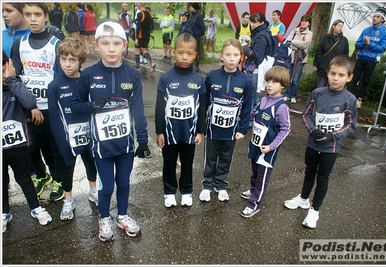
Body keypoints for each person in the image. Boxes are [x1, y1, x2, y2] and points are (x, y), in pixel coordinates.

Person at [70, 21, 150, 242]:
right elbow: (75, 107)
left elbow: (138, 109)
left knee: (124, 184)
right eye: (106, 43)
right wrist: (91, 106)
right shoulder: (88, 74)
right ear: (96, 45)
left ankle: (122, 215)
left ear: (125, 46)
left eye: (116, 43)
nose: (112, 48)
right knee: (106, 188)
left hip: (124, 145)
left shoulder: (133, 75)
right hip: (101, 147)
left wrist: (142, 141)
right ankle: (104, 217)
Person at [284, 55, 358, 228]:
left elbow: (351, 125)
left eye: (341, 75)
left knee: (323, 178)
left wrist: (333, 135)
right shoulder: (317, 93)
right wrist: (313, 130)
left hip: (331, 147)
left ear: (349, 77)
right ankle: (303, 199)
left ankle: (314, 210)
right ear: (328, 73)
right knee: (309, 172)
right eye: (333, 74)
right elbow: (306, 114)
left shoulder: (350, 99)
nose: (335, 78)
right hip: (313, 143)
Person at [10, 2, 65, 202]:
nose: (33, 19)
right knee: (31, 148)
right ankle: (42, 176)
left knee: (54, 147)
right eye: (28, 14)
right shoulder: (19, 43)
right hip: (28, 107)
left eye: (37, 14)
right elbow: (15, 75)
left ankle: (58, 179)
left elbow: (61, 77)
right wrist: (30, 104)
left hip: (51, 107)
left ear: (46, 16)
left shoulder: (55, 44)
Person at [47, 38, 98, 221]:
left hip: (88, 135)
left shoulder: (88, 81)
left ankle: (93, 190)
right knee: (67, 168)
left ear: (81, 62)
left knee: (91, 164)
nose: (67, 64)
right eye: (63, 59)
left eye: (73, 60)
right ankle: (68, 199)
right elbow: (54, 118)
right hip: (67, 139)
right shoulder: (54, 86)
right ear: (58, 60)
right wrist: (62, 143)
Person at [2, 51, 53, 233]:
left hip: (17, 145)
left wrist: (12, 80)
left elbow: (30, 101)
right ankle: (4, 212)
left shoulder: (15, 85)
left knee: (23, 177)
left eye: (4, 71)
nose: (2, 77)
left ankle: (35, 207)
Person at [155, 33, 207, 208]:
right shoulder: (166, 78)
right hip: (169, 133)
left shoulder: (199, 80)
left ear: (195, 55)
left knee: (187, 162)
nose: (184, 57)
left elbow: (202, 109)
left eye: (189, 53)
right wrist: (159, 131)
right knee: (169, 163)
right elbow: (160, 107)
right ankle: (169, 192)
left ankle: (186, 191)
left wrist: (200, 131)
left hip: (189, 133)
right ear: (174, 52)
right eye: (180, 52)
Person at [200, 38, 253, 202]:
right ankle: (207, 185)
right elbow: (204, 102)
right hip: (212, 129)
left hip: (231, 132)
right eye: (228, 54)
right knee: (210, 158)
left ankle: (221, 185)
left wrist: (242, 129)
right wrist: (201, 126)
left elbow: (247, 108)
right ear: (221, 56)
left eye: (235, 55)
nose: (231, 59)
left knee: (225, 159)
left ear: (241, 57)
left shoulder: (246, 80)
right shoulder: (212, 76)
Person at [240, 66, 291, 217]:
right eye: (268, 80)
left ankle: (254, 204)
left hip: (267, 149)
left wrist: (271, 146)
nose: (269, 84)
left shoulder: (281, 107)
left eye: (275, 82)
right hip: (255, 145)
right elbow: (253, 115)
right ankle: (252, 189)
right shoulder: (263, 100)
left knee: (262, 177)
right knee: (255, 171)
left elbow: (285, 129)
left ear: (283, 85)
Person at [350, 7, 386, 108]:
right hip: (361, 58)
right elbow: (357, 44)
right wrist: (364, 44)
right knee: (354, 78)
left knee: (365, 80)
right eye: (374, 16)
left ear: (382, 19)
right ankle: (351, 98)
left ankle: (360, 100)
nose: (374, 18)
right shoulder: (366, 30)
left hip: (372, 59)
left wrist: (370, 44)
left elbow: (382, 48)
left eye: (377, 17)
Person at [242, 12, 273, 125]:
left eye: (254, 22)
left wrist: (245, 48)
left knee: (251, 96)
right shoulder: (264, 33)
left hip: (254, 70)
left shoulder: (261, 35)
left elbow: (257, 56)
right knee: (255, 96)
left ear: (262, 22)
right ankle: (257, 118)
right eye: (251, 21)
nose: (252, 24)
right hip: (257, 70)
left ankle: (249, 120)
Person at [283, 14, 313, 103]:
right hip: (291, 57)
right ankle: (286, 94)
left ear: (309, 23)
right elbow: (287, 41)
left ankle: (293, 95)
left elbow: (305, 44)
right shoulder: (295, 31)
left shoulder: (309, 33)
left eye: (306, 21)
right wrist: (296, 44)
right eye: (302, 21)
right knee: (288, 77)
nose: (303, 23)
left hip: (300, 59)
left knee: (295, 79)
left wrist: (293, 43)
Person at [314, 19, 349, 88]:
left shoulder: (344, 40)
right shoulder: (325, 38)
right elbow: (318, 51)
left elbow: (345, 55)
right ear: (333, 26)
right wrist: (320, 63)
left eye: (342, 26)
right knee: (320, 87)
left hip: (336, 69)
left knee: (331, 89)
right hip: (323, 68)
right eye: (339, 26)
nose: (340, 28)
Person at [134, 2, 156, 73]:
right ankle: (151, 63)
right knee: (144, 51)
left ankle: (137, 68)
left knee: (137, 50)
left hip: (140, 35)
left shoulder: (139, 14)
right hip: (147, 35)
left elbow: (138, 26)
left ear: (139, 4)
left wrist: (136, 38)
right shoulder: (149, 13)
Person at [189, 3, 205, 72]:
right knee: (191, 49)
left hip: (197, 35)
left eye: (191, 7)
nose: (190, 9)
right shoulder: (191, 16)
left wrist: (202, 34)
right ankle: (190, 63)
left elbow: (202, 26)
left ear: (194, 8)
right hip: (191, 35)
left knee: (196, 50)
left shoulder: (199, 16)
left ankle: (197, 65)